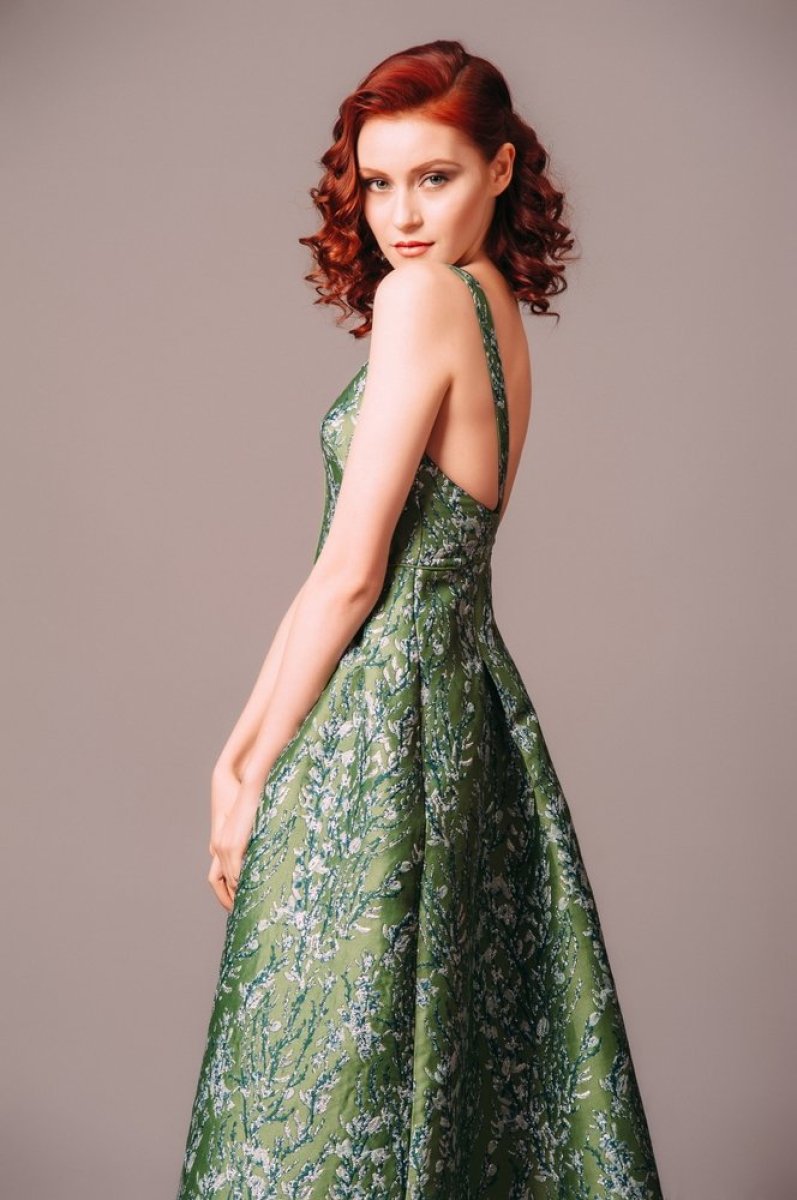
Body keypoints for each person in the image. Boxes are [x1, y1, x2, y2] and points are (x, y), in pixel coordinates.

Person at [176, 38, 664, 1199]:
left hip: (380, 725)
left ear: (500, 168)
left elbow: (351, 576)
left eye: (433, 178)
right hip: (466, 708)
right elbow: (351, 569)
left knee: (324, 1092)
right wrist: (234, 753)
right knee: (437, 1080)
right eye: (378, 182)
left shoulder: (424, 299)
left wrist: (254, 765)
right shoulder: (492, 305)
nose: (400, 215)